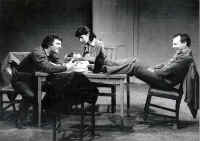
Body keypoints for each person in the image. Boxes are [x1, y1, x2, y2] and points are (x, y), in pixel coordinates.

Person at [12, 34, 98, 129]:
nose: (60, 46)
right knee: (31, 95)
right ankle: (20, 121)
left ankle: (41, 117)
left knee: (54, 88)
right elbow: (48, 68)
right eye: (58, 44)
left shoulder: (51, 53)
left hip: (35, 79)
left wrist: (69, 61)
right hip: (21, 80)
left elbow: (58, 63)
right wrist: (66, 67)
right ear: (49, 44)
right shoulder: (37, 52)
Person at [75, 27, 193, 90]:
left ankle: (106, 69)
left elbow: (167, 71)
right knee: (134, 60)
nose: (173, 46)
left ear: (185, 43)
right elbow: (166, 65)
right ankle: (105, 65)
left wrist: (154, 71)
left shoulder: (185, 58)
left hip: (165, 82)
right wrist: (154, 68)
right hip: (162, 77)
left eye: (176, 44)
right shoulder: (182, 54)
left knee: (134, 67)